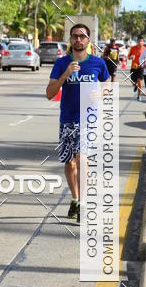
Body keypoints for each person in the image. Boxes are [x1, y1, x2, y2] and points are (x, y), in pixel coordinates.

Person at [46, 23, 110, 223]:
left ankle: (83, 203)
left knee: (83, 160)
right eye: (75, 36)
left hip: (88, 119)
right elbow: (49, 94)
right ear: (70, 40)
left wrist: (100, 93)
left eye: (82, 36)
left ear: (88, 40)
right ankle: (74, 198)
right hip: (67, 118)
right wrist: (65, 74)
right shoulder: (61, 63)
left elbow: (107, 83)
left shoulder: (98, 63)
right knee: (69, 162)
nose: (78, 40)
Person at [127, 36, 145, 100]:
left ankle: (139, 96)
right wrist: (131, 57)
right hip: (134, 67)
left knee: (140, 82)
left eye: (141, 41)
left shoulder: (145, 49)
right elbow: (128, 57)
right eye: (139, 41)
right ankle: (135, 85)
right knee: (133, 81)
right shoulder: (133, 48)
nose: (140, 42)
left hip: (141, 67)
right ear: (137, 42)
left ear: (143, 42)